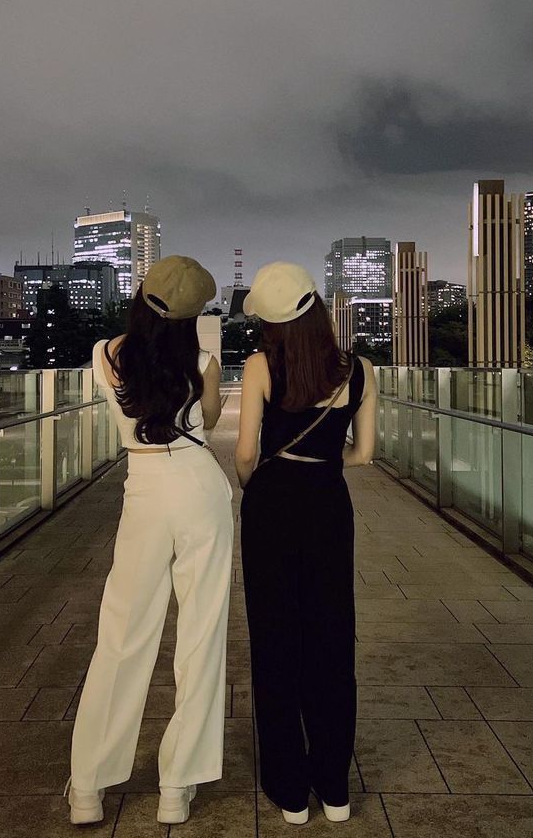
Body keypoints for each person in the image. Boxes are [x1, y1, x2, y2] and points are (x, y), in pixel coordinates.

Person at [67, 255, 234, 826]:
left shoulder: (105, 355)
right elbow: (206, 424)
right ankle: (176, 786)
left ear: (141, 297)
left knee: (122, 634)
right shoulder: (206, 361)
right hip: (200, 488)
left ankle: (88, 786)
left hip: (144, 488)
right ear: (194, 316)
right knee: (200, 636)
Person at [234, 262, 376, 825]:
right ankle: (335, 788)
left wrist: (260, 483)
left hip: (272, 505)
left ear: (270, 325)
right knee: (332, 638)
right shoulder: (358, 370)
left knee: (276, 639)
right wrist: (321, 465)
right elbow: (363, 454)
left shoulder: (259, 367)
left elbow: (245, 453)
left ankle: (290, 790)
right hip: (327, 504)